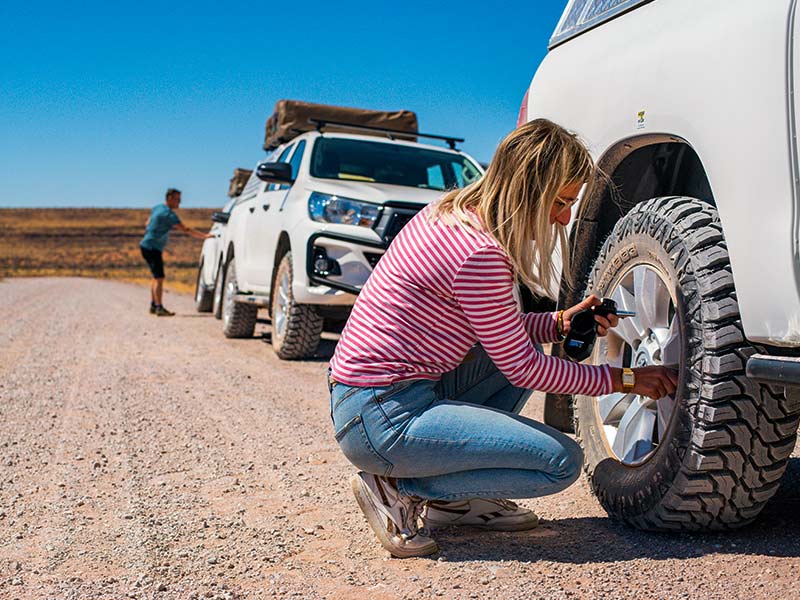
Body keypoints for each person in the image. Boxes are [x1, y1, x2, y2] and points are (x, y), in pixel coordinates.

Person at [327, 119, 678, 558]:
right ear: (528, 188)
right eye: (560, 202)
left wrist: (560, 323)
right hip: (384, 420)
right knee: (560, 463)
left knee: (522, 352)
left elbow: (498, 333)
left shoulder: (451, 215)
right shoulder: (480, 255)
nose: (565, 217)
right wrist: (628, 379)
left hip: (368, 401)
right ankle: (399, 486)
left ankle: (452, 504)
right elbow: (522, 367)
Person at [140, 188, 212, 316]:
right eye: (177, 199)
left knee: (156, 277)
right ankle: (159, 307)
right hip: (152, 248)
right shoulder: (169, 215)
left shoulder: (158, 207)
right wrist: (205, 236)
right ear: (170, 198)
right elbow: (186, 229)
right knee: (159, 278)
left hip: (146, 245)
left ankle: (153, 304)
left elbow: (147, 222)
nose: (180, 202)